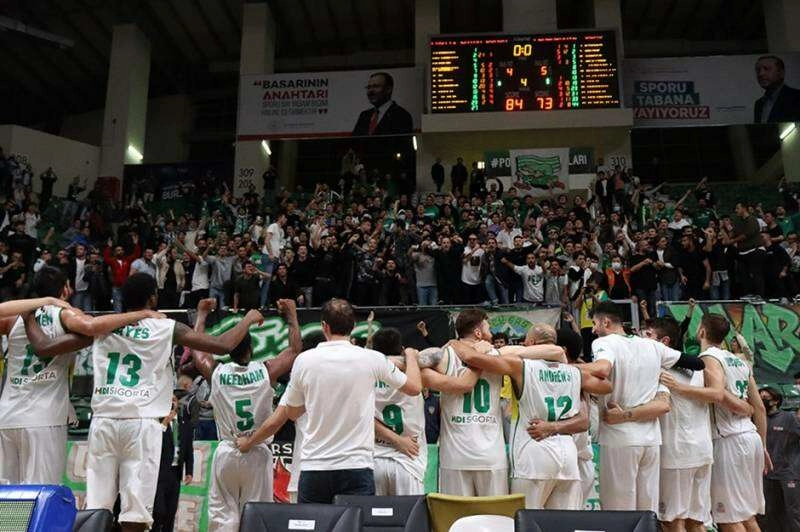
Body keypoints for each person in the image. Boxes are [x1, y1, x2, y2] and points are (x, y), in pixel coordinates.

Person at [30, 273, 263, 531]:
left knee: (97, 510)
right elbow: (223, 345)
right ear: (152, 297)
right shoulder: (165, 326)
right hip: (141, 423)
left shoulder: (102, 326)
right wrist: (248, 319)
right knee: (136, 515)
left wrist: (27, 314)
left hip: (104, 421)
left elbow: (45, 346)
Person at [237, 299, 422, 504]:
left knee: (312, 521)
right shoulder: (372, 358)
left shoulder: (304, 361)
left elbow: (293, 413)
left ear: (324, 326)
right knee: (355, 522)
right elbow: (415, 388)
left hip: (315, 466)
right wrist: (411, 356)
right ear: (353, 326)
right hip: (356, 465)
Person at [0, 268, 162, 486]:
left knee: (6, 494)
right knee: (42, 492)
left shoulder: (16, 318)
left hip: (7, 417)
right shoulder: (65, 313)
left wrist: (41, 301)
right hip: (44, 418)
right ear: (65, 289)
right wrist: (141, 314)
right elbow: (91, 326)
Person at [450, 323, 611, 509]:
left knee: (526, 518)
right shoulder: (574, 372)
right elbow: (607, 386)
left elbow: (472, 358)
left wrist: (454, 343)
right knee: (564, 521)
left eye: (526, 342)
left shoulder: (520, 367)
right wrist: (577, 375)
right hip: (567, 455)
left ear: (532, 343)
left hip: (533, 452)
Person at [581, 302, 705, 513]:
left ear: (606, 322)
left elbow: (602, 369)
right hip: (650, 440)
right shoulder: (652, 346)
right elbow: (697, 363)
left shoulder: (604, 342)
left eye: (594, 323)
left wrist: (569, 368)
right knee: (647, 512)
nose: (593, 330)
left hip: (619, 436)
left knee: (619, 513)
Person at [191, 297, 302, 531]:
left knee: (222, 519)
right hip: (257, 451)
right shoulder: (265, 371)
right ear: (251, 349)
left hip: (227, 450)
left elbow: (198, 351)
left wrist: (201, 315)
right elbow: (294, 350)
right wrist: (291, 315)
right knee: (256, 517)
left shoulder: (216, 372)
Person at [434, 309, 566, 497]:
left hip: (454, 455)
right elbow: (556, 351)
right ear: (478, 333)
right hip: (491, 455)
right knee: (495, 513)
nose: (491, 334)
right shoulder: (498, 354)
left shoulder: (443, 355)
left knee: (456, 514)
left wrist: (453, 343)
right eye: (488, 328)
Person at [695, 314, 769, 531]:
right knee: (747, 516)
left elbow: (718, 394)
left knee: (728, 518)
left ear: (702, 331)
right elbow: (760, 408)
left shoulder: (708, 357)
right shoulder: (739, 361)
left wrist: (740, 406)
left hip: (728, 440)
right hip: (751, 437)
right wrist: (763, 445)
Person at [644, 317, 715, 532]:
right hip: (703, 450)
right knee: (696, 521)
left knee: (673, 521)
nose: (643, 339)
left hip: (677, 454)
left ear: (664, 342)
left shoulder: (659, 369)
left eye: (648, 335)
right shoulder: (698, 369)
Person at [370, 328, 429, 496]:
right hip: (408, 459)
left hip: (376, 458)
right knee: (409, 513)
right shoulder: (417, 372)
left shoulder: (365, 373)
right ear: (401, 349)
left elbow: (361, 416)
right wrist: (410, 356)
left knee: (376, 514)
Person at [758, 386, 800, 532]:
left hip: (788, 473)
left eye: (765, 398)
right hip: (766, 474)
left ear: (776, 400)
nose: (762, 400)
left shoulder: (789, 418)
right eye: (760, 398)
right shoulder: (758, 419)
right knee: (767, 513)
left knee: (793, 512)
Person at [151, 395, 194, 532]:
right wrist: (164, 424)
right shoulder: (156, 422)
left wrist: (189, 471)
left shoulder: (184, 423)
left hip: (176, 473)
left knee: (171, 511)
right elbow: (153, 444)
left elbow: (188, 449)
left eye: (174, 400)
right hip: (159, 472)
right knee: (158, 511)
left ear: (178, 404)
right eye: (168, 400)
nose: (171, 402)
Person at [753, 55, 800, 124]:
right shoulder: (758, 104)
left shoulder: (797, 97)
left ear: (781, 73)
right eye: (758, 70)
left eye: (767, 69)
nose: (761, 74)